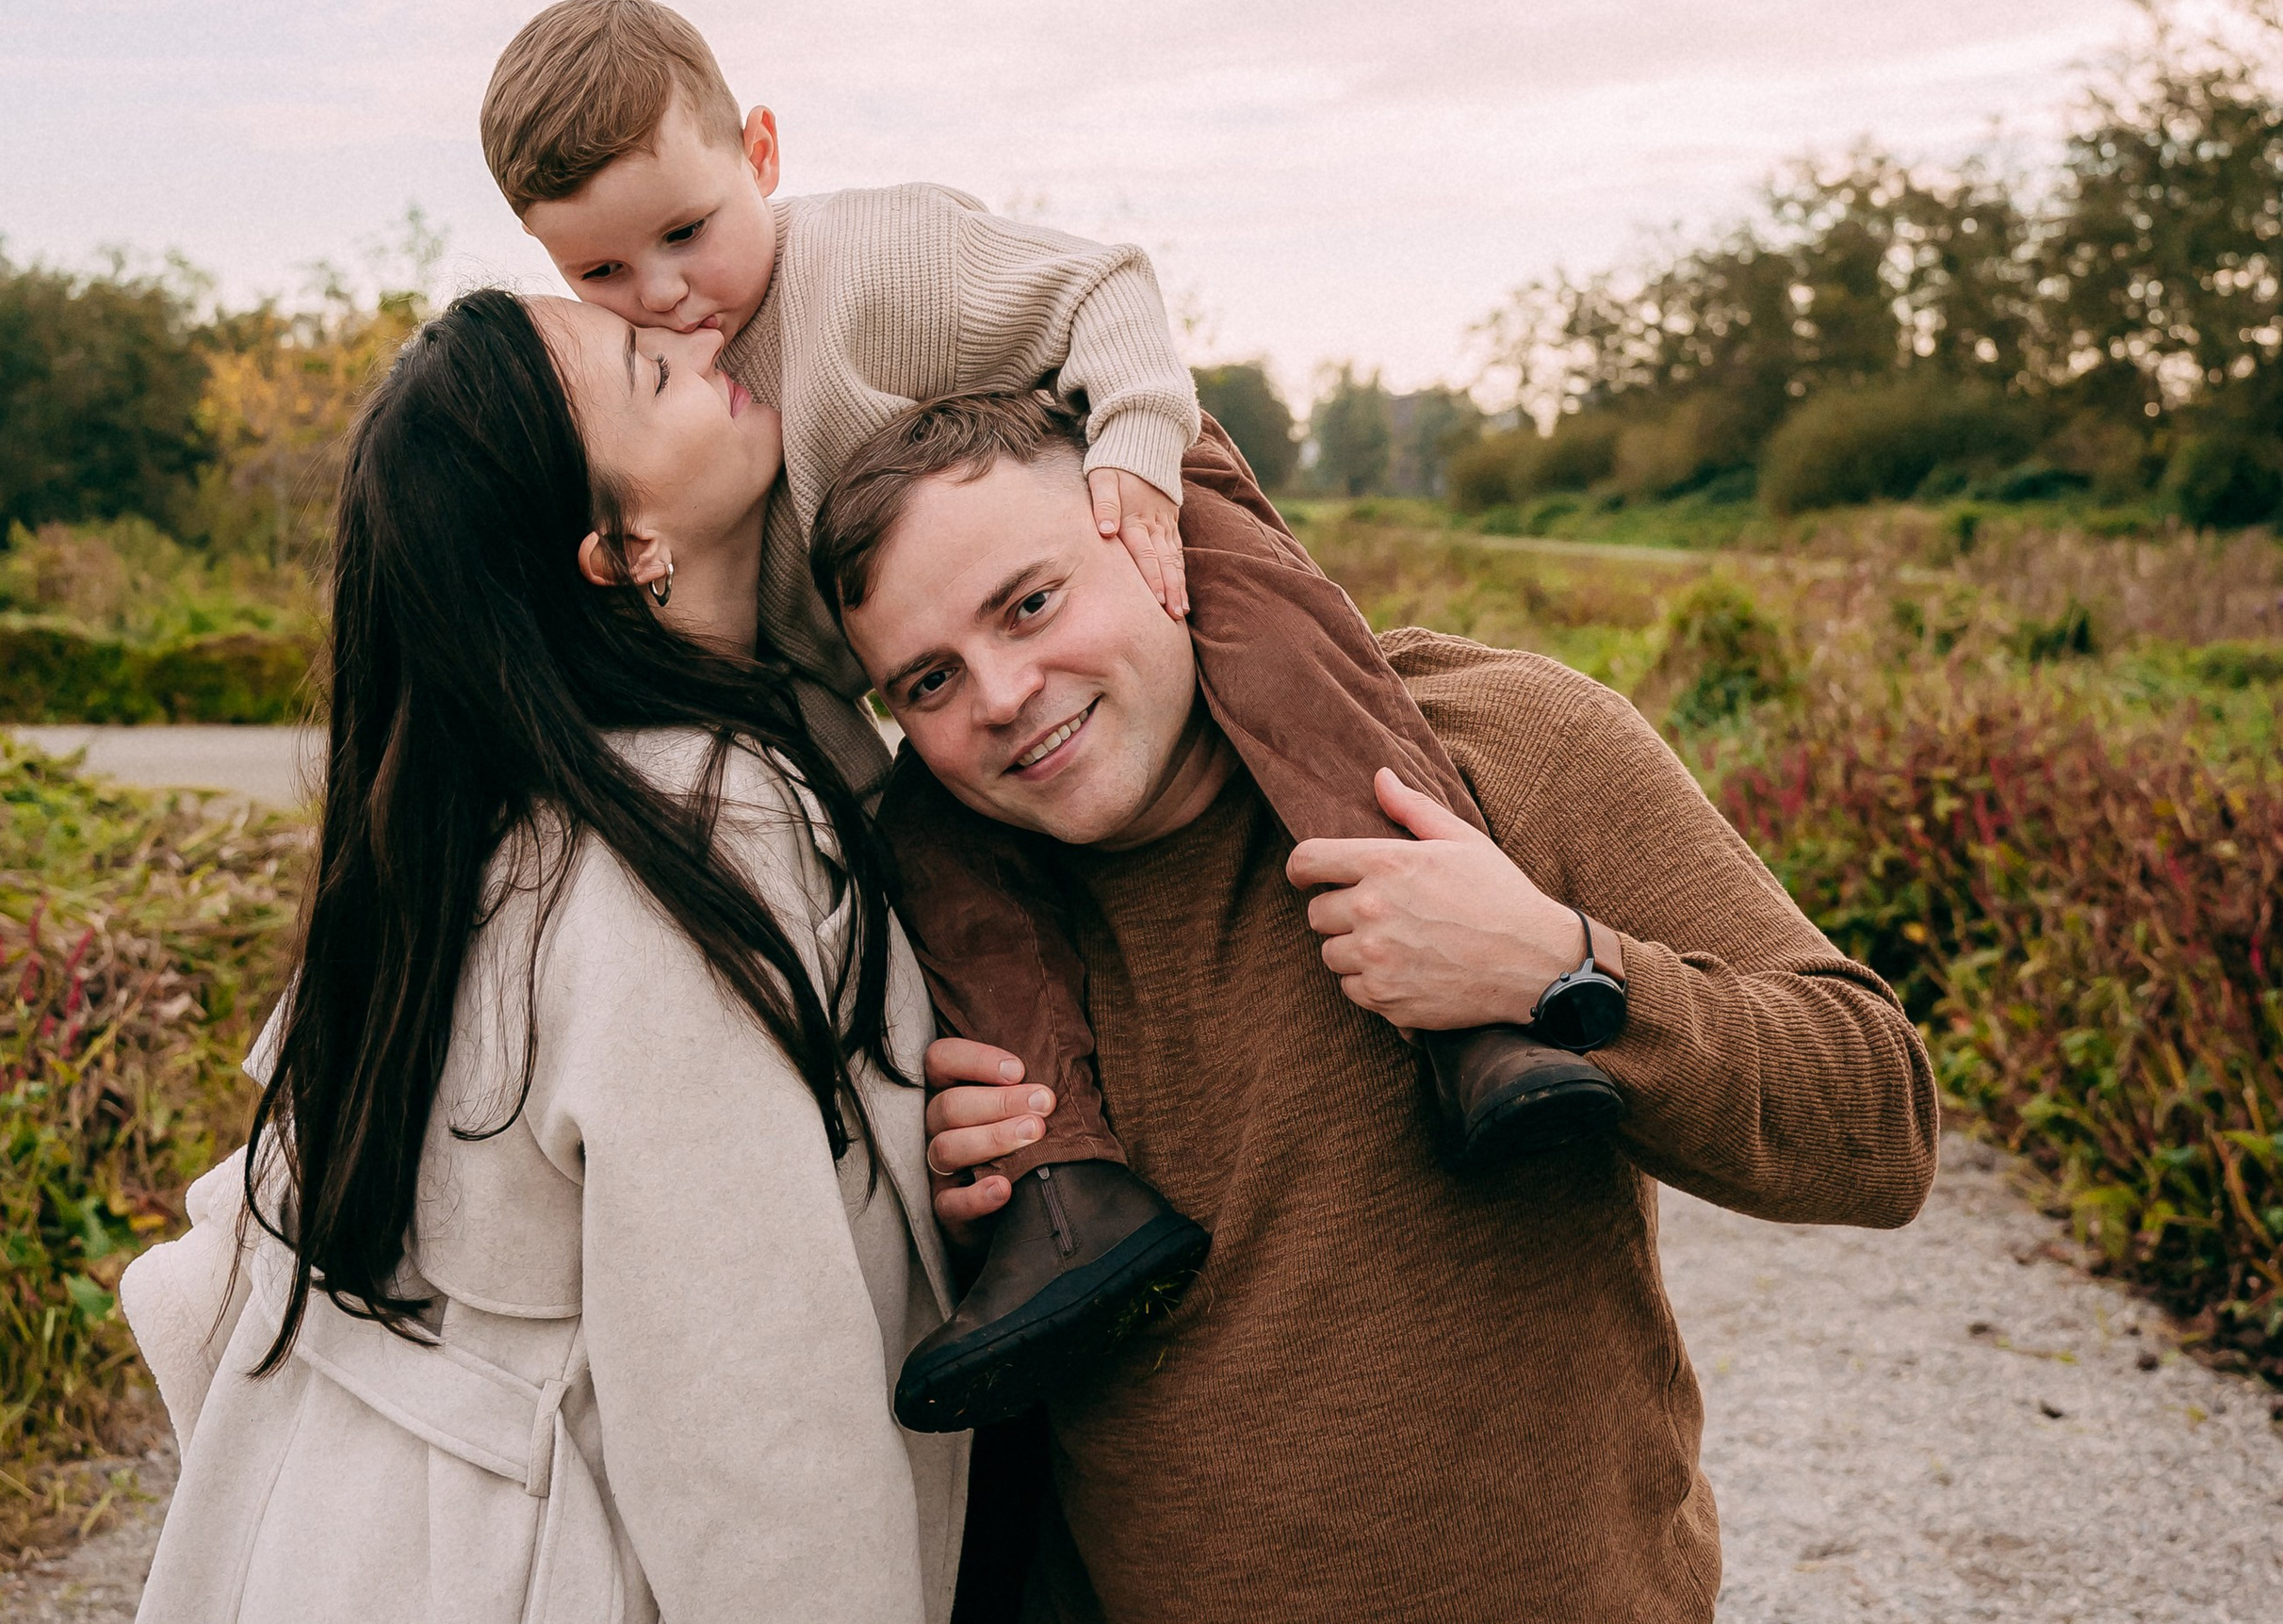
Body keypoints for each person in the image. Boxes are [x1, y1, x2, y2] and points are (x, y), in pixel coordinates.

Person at [478, 0, 1624, 1430]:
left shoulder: (875, 256)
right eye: (603, 271)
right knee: (936, 858)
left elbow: (1105, 287)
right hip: (970, 623)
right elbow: (821, 685)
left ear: (760, 151)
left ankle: (1469, 1023)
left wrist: (1140, 454)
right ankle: (1064, 1184)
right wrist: (843, 830)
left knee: (1290, 673)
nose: (663, 292)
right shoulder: (706, 431)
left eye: (688, 232)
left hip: (1114, 503)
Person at [813, 391, 1942, 1624]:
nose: (1002, 694)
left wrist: (1558, 970)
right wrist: (963, 1227)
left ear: (1151, 534)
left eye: (1030, 604)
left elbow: (1877, 1129)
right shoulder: (943, 941)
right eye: (928, 680)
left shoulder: (1499, 744)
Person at [119, 291, 965, 1624]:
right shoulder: (689, 841)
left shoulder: (493, 816)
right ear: (623, 549)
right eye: (652, 369)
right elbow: (751, 1425)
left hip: (353, 1548)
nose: (706, 344)